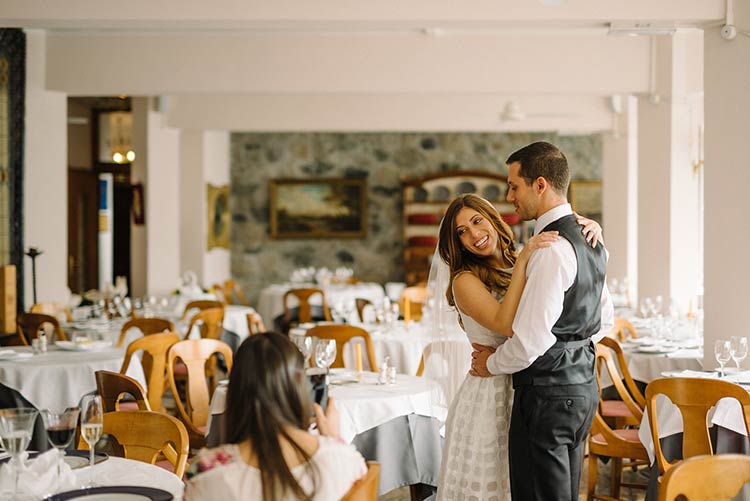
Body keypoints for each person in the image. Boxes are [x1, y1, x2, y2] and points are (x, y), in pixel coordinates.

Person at [470, 141, 614, 501]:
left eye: (514, 186)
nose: (509, 196)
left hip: (546, 396)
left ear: (540, 185)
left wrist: (491, 363)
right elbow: (604, 321)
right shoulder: (592, 240)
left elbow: (530, 342)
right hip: (583, 389)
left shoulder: (550, 248)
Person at [432, 193, 601, 500]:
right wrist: (524, 258)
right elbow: (505, 323)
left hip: (531, 386)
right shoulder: (465, 280)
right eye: (461, 232)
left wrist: (586, 239)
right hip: (489, 392)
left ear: (493, 220)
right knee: (493, 483)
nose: (473, 235)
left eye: (477, 221)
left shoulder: (531, 259)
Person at [185, 332, 366, 500]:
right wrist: (332, 439)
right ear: (300, 391)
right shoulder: (342, 460)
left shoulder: (207, 471)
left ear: (235, 391)